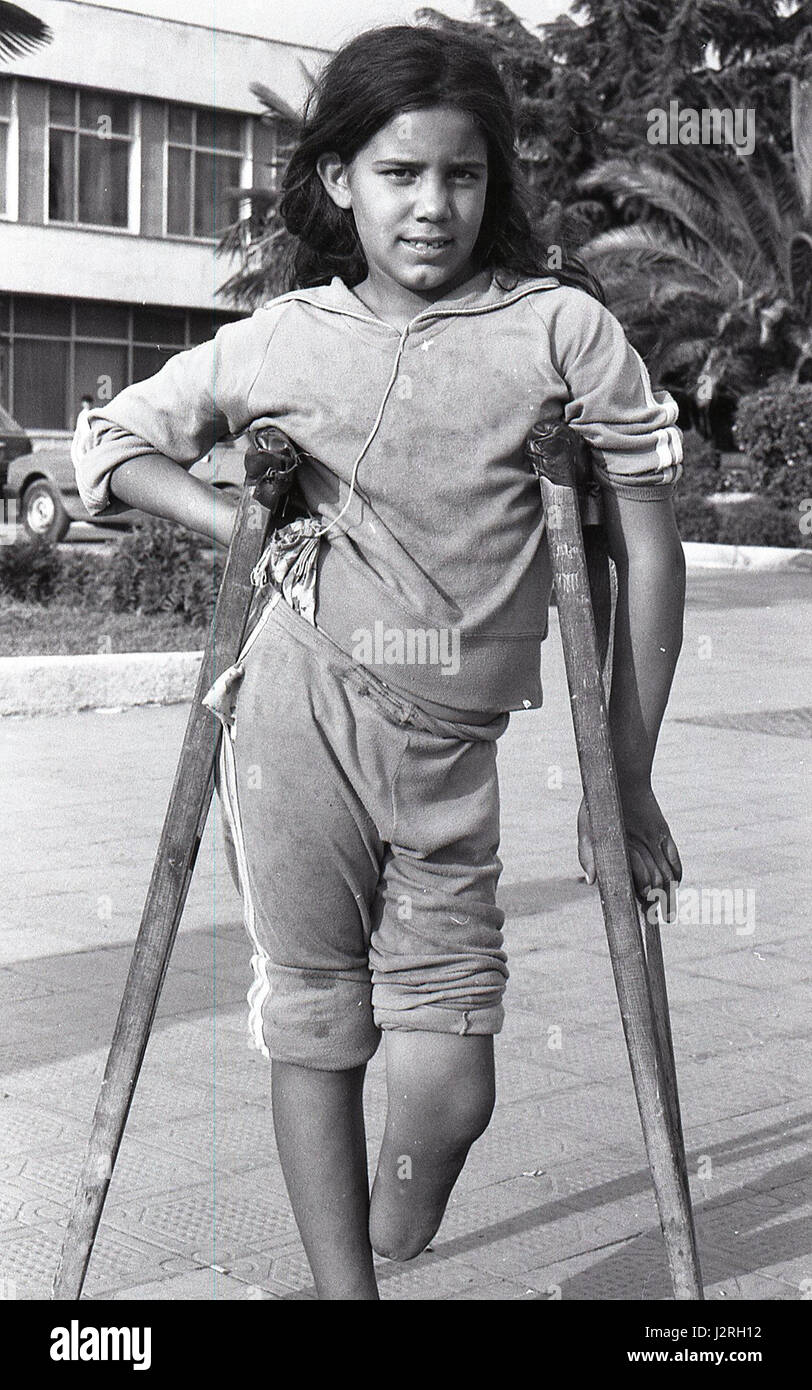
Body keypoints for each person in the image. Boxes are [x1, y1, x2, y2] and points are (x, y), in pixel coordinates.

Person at [73, 24, 686, 1300]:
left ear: (492, 185)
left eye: (459, 176)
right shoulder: (279, 340)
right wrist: (242, 515)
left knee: (450, 1085)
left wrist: (622, 777)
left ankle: (392, 1229)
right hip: (293, 721)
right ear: (339, 179)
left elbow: (642, 536)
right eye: (397, 174)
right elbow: (113, 444)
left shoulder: (557, 331)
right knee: (315, 1015)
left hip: (451, 749)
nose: (430, 206)